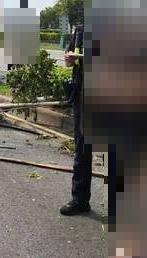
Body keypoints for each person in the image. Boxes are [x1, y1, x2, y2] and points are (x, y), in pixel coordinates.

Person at [60, 24, 91, 216]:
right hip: (82, 96)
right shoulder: (81, 30)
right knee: (82, 149)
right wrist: (69, 59)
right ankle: (80, 199)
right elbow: (68, 61)